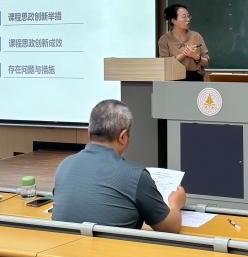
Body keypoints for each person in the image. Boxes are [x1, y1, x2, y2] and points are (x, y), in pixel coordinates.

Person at [53, 99, 186, 231]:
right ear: (122, 137)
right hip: (112, 246)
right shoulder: (136, 176)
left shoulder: (65, 165)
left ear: (89, 132)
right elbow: (171, 228)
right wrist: (175, 203)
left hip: (61, 244)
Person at [157, 3, 209, 81]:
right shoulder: (164, 39)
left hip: (195, 78)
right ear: (173, 20)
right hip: (173, 79)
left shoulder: (196, 36)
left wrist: (195, 56)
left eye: (188, 16)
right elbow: (165, 65)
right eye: (184, 16)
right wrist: (184, 54)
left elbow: (206, 62)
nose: (188, 19)